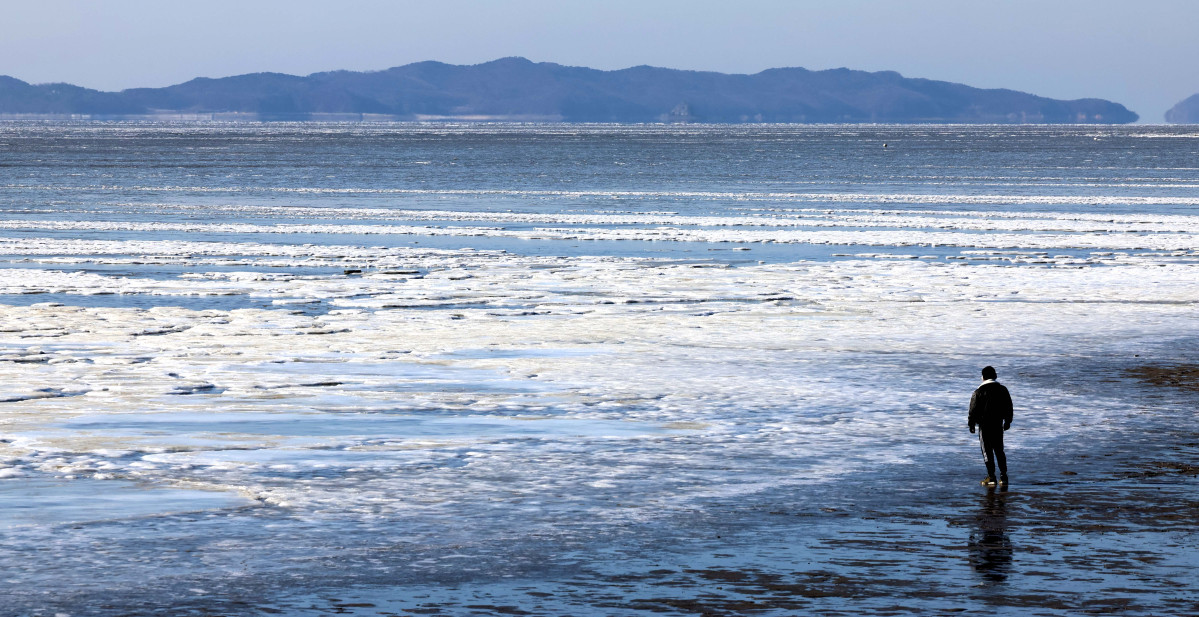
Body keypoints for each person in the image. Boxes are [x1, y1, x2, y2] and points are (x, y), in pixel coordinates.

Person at [968, 366, 1013, 487]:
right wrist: (1008, 421)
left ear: (982, 377)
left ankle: (991, 477)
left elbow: (973, 410)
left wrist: (971, 424)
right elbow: (1008, 406)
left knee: (987, 451)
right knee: (999, 450)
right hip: (998, 424)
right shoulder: (1003, 389)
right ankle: (1003, 476)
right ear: (995, 376)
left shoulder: (978, 392)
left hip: (984, 425)